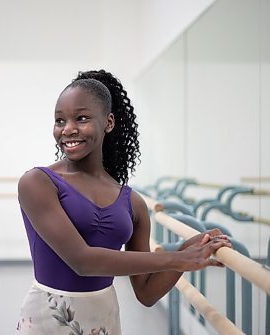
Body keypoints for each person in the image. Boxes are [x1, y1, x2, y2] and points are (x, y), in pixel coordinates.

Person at [16, 70, 231, 335]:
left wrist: (192, 247)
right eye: (60, 120)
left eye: (81, 118)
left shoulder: (132, 203)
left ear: (108, 122)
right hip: (48, 318)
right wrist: (179, 258)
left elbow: (147, 292)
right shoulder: (37, 183)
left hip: (104, 316)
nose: (68, 129)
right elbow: (82, 262)